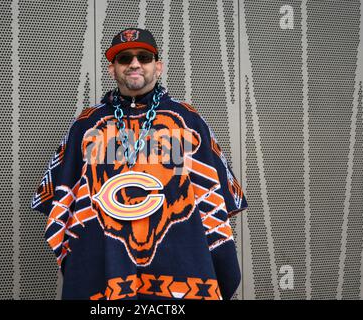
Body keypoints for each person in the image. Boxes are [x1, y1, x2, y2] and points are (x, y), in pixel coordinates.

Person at [31, 27, 248, 300]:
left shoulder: (189, 121)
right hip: (105, 270)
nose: (134, 63)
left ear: (158, 66)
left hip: (182, 271)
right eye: (124, 59)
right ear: (112, 69)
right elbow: (61, 201)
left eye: (144, 57)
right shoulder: (85, 126)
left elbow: (217, 201)